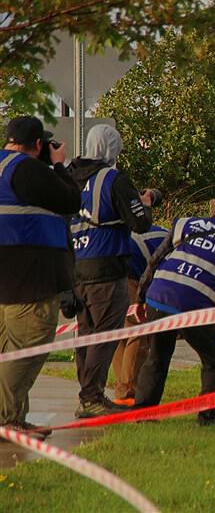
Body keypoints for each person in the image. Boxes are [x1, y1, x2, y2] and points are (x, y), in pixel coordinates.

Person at [134, 187, 215, 426]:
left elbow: (156, 259)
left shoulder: (184, 224)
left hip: (159, 296)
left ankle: (144, 413)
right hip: (195, 307)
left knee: (157, 357)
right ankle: (207, 415)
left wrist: (141, 297)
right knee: (213, 359)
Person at [0, 117, 81, 439]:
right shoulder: (28, 169)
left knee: (9, 349)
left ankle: (15, 418)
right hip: (29, 278)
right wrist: (59, 165)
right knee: (28, 347)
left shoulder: (6, 167)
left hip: (6, 279)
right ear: (37, 145)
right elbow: (72, 200)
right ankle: (7, 419)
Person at [67, 124, 153, 418]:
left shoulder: (69, 177)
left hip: (76, 267)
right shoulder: (114, 180)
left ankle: (87, 394)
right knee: (104, 335)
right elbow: (141, 224)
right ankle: (91, 397)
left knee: (86, 335)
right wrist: (145, 204)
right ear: (113, 149)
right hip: (107, 267)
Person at [110, 225, 168, 406]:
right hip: (131, 273)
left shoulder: (160, 233)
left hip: (109, 269)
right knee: (138, 332)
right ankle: (128, 391)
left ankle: (122, 389)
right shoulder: (175, 244)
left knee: (118, 333)